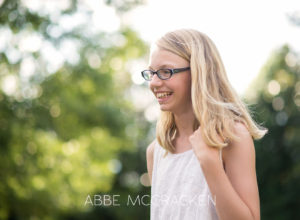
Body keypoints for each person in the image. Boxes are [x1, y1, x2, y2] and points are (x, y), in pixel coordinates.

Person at [143, 29, 268, 220]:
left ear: (199, 73)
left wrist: (210, 165)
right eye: (151, 73)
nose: (154, 82)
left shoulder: (232, 137)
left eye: (165, 72)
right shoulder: (156, 152)